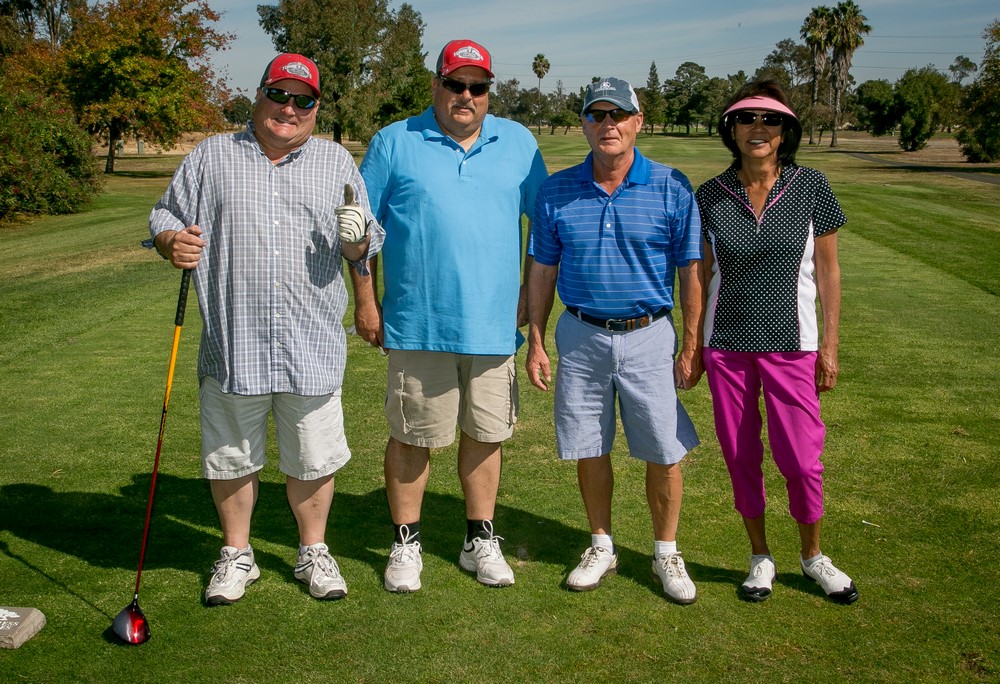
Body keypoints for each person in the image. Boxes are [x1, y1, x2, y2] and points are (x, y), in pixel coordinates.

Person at [149, 53, 383, 604]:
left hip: (312, 341)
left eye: (302, 100)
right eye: (279, 95)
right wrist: (169, 242)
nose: (289, 108)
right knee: (232, 453)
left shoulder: (336, 164)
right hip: (235, 344)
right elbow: (165, 216)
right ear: (259, 96)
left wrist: (356, 244)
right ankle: (236, 554)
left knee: (313, 454)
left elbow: (363, 244)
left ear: (316, 108)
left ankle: (313, 551)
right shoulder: (211, 156)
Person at [355, 39, 548, 593]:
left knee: (486, 434)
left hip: (492, 325)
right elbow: (359, 231)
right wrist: (366, 302)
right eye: (455, 84)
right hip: (418, 322)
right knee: (413, 435)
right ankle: (405, 543)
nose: (466, 96)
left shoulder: (519, 141)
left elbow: (544, 225)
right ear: (436, 84)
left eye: (478, 87)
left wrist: (527, 295)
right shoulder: (395, 141)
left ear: (488, 91)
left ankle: (479, 539)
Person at [526, 77, 704, 604]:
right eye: (597, 115)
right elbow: (541, 271)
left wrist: (691, 344)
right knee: (589, 445)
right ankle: (601, 542)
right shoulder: (557, 189)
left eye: (619, 114)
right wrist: (535, 339)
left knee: (664, 449)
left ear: (637, 122)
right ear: (584, 123)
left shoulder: (671, 186)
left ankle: (665, 550)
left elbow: (691, 270)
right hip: (580, 335)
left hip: (649, 334)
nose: (609, 125)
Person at [695, 79, 858, 604]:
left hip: (794, 344)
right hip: (728, 344)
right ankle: (759, 557)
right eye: (747, 119)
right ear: (732, 129)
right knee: (741, 455)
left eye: (770, 120)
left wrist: (830, 345)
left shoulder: (812, 187)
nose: (758, 129)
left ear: (786, 129)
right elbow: (699, 274)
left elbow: (828, 273)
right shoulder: (710, 196)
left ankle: (812, 556)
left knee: (801, 458)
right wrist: (692, 344)